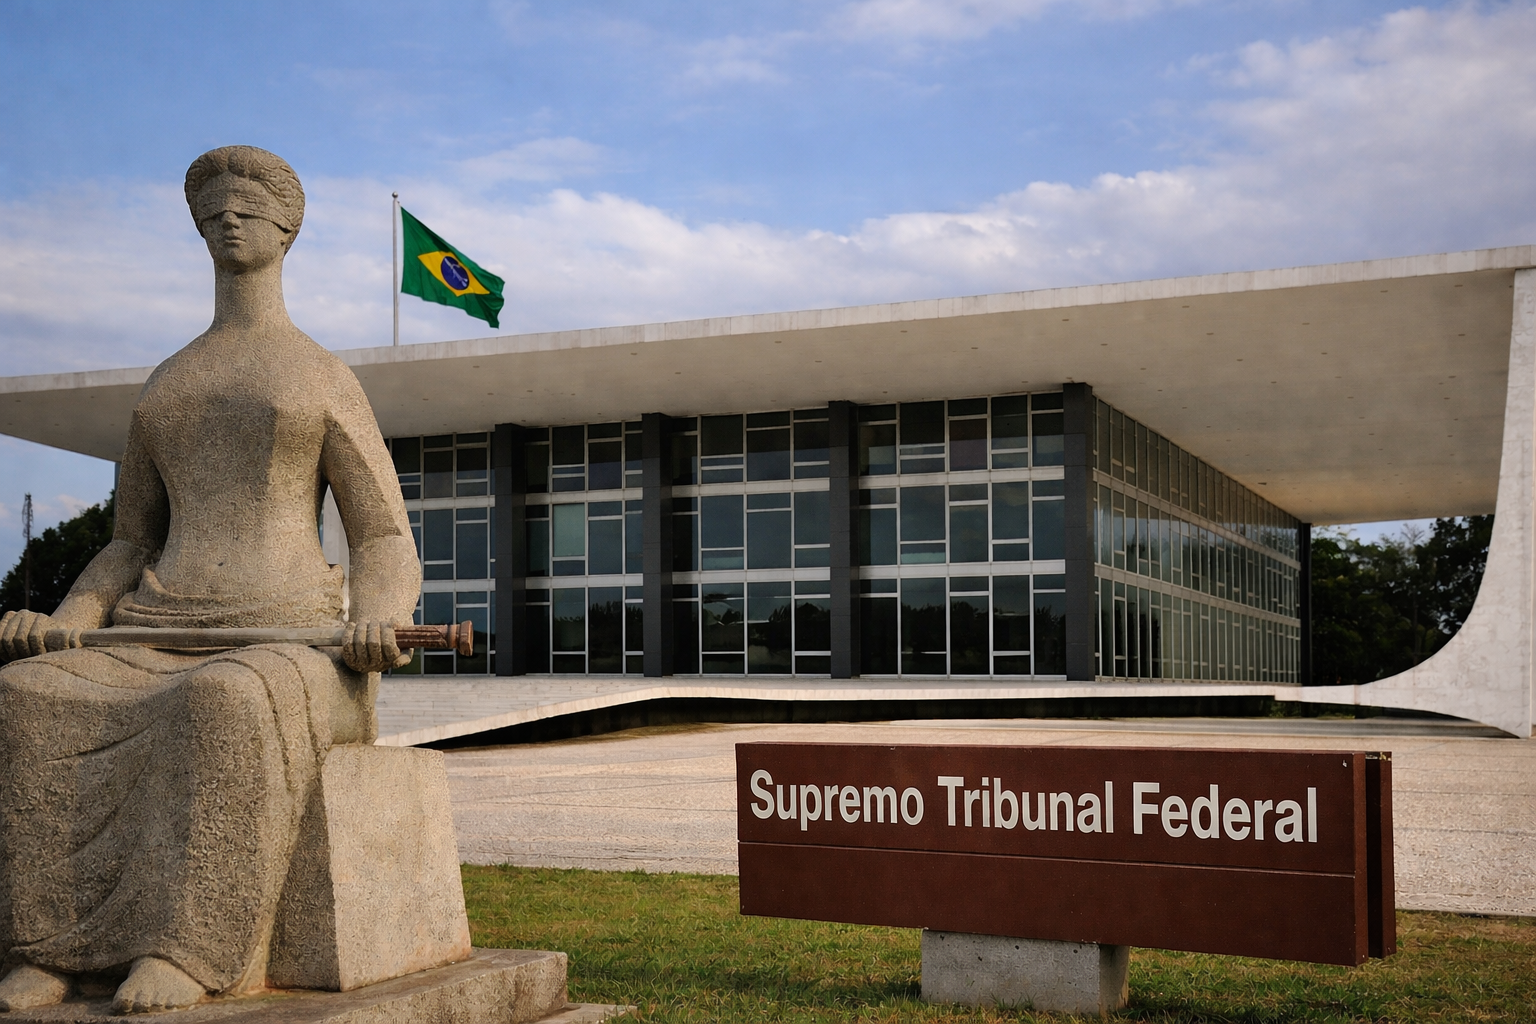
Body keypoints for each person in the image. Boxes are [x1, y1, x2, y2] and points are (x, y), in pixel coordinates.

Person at [0, 146, 421, 1014]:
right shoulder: (170, 382)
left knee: (222, 700)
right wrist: (70, 611)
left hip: (291, 640)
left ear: (286, 229)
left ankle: (189, 948)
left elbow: (383, 534)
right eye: (213, 211)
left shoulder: (320, 376)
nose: (229, 219)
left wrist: (378, 617)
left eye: (248, 209)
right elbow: (130, 540)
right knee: (30, 696)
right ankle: (55, 946)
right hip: (157, 626)